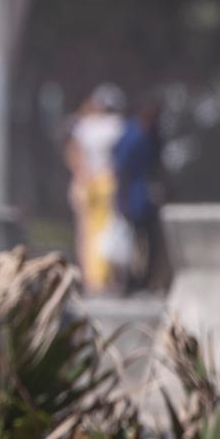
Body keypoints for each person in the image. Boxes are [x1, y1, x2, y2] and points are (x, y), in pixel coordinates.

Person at [66, 85, 126, 293]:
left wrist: (82, 173)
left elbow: (73, 153)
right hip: (107, 182)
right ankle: (103, 278)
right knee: (106, 230)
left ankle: (94, 279)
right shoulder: (117, 126)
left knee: (89, 233)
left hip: (89, 182)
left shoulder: (84, 126)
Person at [112, 98, 166, 293]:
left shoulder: (152, 135)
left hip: (146, 198)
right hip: (133, 198)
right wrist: (122, 201)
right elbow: (122, 169)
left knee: (150, 242)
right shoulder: (133, 135)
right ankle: (131, 281)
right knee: (133, 243)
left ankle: (145, 280)